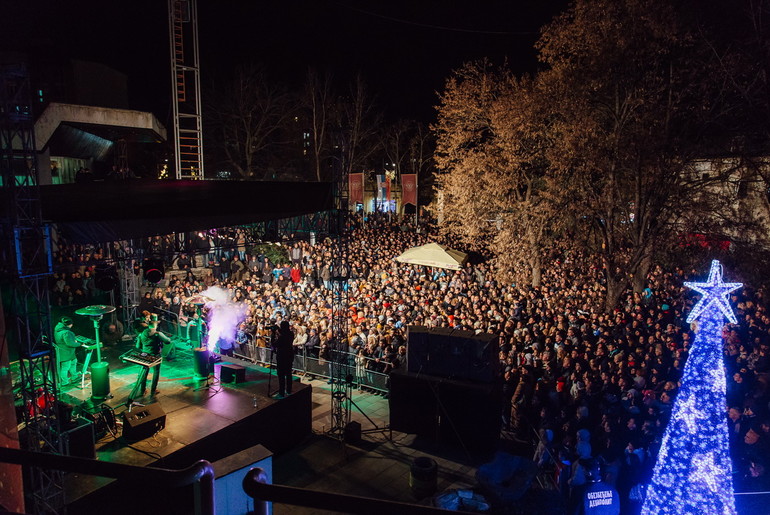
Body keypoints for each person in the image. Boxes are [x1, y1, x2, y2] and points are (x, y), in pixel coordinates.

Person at [126, 320, 171, 407]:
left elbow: (138, 346)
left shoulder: (141, 334)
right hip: (155, 356)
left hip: (145, 355)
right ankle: (153, 391)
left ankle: (143, 390)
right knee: (156, 372)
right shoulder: (157, 333)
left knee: (144, 372)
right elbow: (168, 341)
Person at [54, 317, 81, 387]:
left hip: (66, 352)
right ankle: (64, 382)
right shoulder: (66, 332)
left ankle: (74, 377)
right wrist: (79, 344)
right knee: (65, 367)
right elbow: (70, 343)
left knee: (73, 362)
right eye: (71, 324)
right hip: (66, 352)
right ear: (69, 324)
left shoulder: (57, 329)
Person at [272, 320, 295, 397]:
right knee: (288, 373)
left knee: (281, 375)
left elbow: (275, 344)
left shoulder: (282, 337)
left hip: (282, 356)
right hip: (289, 355)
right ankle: (289, 390)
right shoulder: (291, 334)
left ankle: (281, 392)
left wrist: (273, 334)